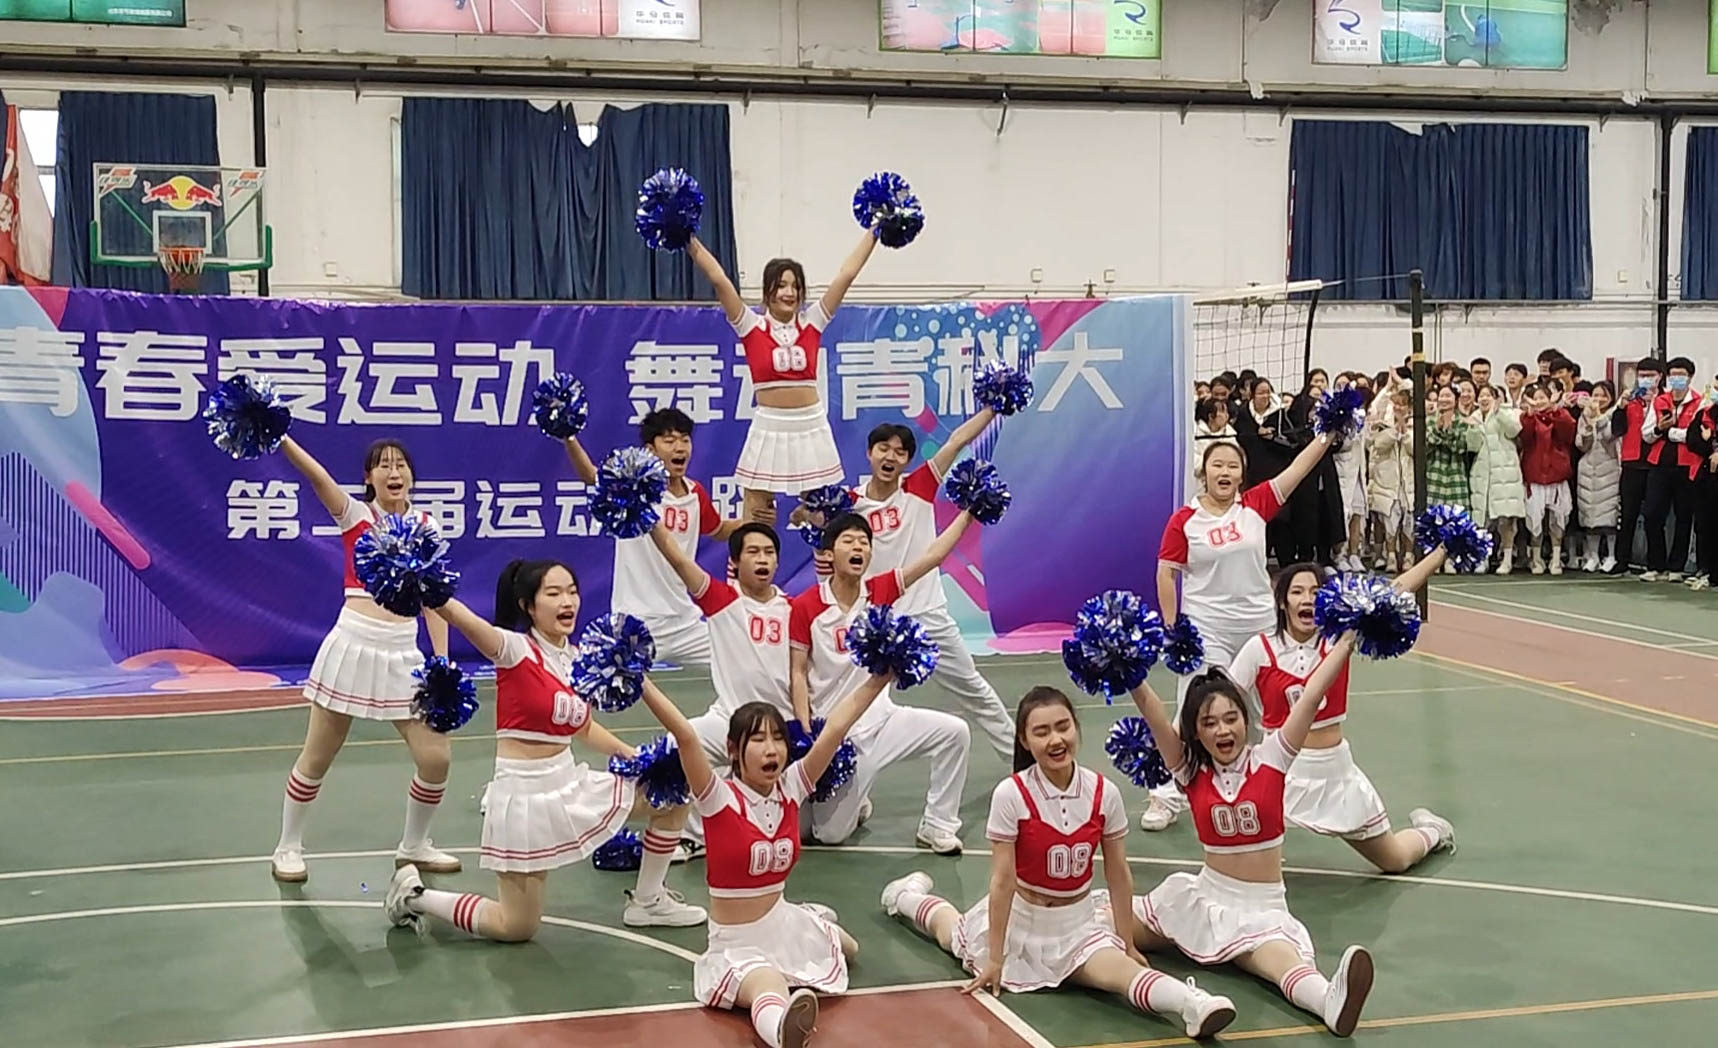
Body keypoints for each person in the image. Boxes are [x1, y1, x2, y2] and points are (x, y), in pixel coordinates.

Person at [879, 688, 1236, 1039]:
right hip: (1019, 922)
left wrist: (1127, 942)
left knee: (1121, 972)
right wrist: (996, 957)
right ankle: (906, 897)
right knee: (949, 933)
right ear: (1024, 739)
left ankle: (1192, 1004)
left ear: (1076, 727)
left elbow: (1118, 873)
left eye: (1063, 727)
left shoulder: (1104, 793)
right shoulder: (1011, 794)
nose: (1055, 739)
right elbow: (1002, 881)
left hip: (1076, 927)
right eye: (1042, 731)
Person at [385, 559, 707, 941]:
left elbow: (583, 726)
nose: (567, 601)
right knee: (515, 926)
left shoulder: (576, 658)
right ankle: (414, 896)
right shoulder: (514, 649)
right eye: (553, 593)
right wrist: (425, 583)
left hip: (570, 784)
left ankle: (648, 901)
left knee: (671, 794)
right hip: (524, 798)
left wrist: (630, 754)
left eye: (572, 591)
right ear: (529, 606)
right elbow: (463, 619)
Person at [1118, 638, 1376, 1037]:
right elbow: (1153, 712)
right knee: (1105, 919)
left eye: (1230, 718)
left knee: (1282, 964)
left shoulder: (1272, 756)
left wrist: (1345, 643)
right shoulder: (1189, 770)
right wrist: (1128, 669)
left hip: (1262, 908)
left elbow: (1311, 697)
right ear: (1196, 731)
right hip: (1202, 899)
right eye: (1209, 723)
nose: (1223, 729)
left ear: (1245, 719)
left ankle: (1332, 1001)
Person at [633, 661, 892, 1048]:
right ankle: (782, 1032)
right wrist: (637, 677)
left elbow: (836, 729)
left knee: (849, 949)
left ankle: (815, 915)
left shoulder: (792, 787)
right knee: (767, 984)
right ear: (733, 750)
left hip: (782, 924)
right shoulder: (717, 796)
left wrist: (881, 676)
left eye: (778, 739)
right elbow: (685, 735)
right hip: (736, 942)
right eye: (757, 739)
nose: (771, 749)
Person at [270, 437, 458, 884]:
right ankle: (288, 846)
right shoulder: (356, 515)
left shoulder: (428, 526)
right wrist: (280, 435)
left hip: (404, 652)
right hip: (353, 645)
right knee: (318, 756)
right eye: (383, 465)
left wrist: (442, 663)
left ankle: (414, 845)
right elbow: (317, 476)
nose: (394, 473)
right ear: (368, 478)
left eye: (401, 464)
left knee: (436, 758)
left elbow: (435, 601)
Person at [1143, 430, 1337, 832]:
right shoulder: (1185, 521)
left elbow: (1298, 468)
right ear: (1204, 473)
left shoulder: (1255, 505)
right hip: (1206, 628)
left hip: (1259, 628)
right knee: (1194, 708)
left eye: (1233, 466)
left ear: (1242, 475)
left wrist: (1327, 434)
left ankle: (1274, 791)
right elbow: (1165, 574)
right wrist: (1172, 627)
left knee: (1270, 711)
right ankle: (1165, 794)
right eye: (1218, 464)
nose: (1225, 471)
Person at [1227, 558, 1456, 873]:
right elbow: (1220, 699)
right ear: (1282, 602)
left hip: (1334, 771)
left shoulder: (1339, 639)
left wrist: (1442, 551)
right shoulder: (1259, 648)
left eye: (1315, 592)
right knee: (1249, 863)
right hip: (1278, 771)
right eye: (1297, 592)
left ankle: (1433, 831)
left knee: (1395, 860)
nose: (1307, 599)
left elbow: (1394, 591)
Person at [790, 511, 978, 852]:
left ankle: (938, 825)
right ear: (829, 554)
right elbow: (798, 672)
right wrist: (805, 729)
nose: (858, 547)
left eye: (864, 542)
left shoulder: (880, 589)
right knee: (826, 835)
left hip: (883, 722)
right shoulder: (805, 605)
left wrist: (969, 513)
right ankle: (858, 801)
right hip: (835, 734)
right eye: (848, 541)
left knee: (955, 733)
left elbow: (933, 556)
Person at [689, 230, 882, 524]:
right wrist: (687, 238)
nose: (789, 293)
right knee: (757, 518)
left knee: (826, 515)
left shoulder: (813, 321)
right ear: (768, 290)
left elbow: (847, 275)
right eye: (781, 285)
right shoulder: (750, 324)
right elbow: (719, 279)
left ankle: (804, 517)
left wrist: (875, 231)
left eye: (795, 286)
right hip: (769, 424)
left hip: (811, 424)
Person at [852, 420, 1015, 760]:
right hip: (875, 620)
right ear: (869, 453)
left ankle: (1021, 762)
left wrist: (993, 406)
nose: (890, 456)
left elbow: (956, 440)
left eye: (900, 452)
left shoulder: (920, 485)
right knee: (858, 704)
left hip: (927, 613)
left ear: (907, 461)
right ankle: (848, 779)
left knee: (972, 687)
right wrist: (802, 513)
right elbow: (813, 521)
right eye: (883, 448)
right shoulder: (849, 503)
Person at [562, 408, 746, 669]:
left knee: (740, 661)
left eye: (685, 440)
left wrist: (754, 520)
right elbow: (591, 476)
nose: (680, 448)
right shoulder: (632, 489)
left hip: (685, 624)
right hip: (637, 621)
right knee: (606, 681)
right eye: (669, 441)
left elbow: (719, 530)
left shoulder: (695, 493)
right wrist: (569, 437)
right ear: (650, 449)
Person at [1641, 358, 1702, 581]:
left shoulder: (1699, 402)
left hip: (1687, 466)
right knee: (1652, 514)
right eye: (1673, 374)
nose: (1677, 378)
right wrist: (1660, 429)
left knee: (1683, 516)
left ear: (1690, 377)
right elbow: (1646, 434)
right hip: (1659, 465)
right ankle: (1655, 564)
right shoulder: (1660, 401)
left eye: (1681, 374)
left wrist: (1671, 433)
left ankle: (1676, 566)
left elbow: (1695, 436)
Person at [1466, 384, 1526, 575]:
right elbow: (1472, 446)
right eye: (1481, 396)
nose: (1484, 399)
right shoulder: (1474, 417)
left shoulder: (1508, 413)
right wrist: (1472, 429)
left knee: (1506, 519)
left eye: (1488, 395)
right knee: (1482, 521)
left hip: (1505, 474)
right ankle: (1483, 558)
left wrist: (1500, 413)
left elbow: (1514, 431)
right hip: (1482, 475)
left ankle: (1507, 559)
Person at [1519, 383, 1578, 576]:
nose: (1539, 401)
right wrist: (1529, 415)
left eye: (1542, 397)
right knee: (1534, 520)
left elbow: (1568, 433)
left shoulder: (1561, 415)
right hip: (1534, 476)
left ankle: (1556, 558)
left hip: (1557, 475)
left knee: (1558, 520)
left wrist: (1555, 410)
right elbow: (1525, 438)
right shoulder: (1527, 418)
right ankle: (1536, 559)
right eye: (1535, 398)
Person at [1611, 357, 1663, 574]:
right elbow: (1617, 430)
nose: (1646, 379)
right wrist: (1621, 407)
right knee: (1628, 514)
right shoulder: (1630, 400)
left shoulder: (1665, 400)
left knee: (1653, 515)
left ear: (1660, 377)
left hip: (1656, 464)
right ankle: (1621, 560)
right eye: (1642, 375)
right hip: (1632, 463)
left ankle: (1656, 563)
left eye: (1650, 375)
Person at [1365, 388, 1416, 573]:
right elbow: (1378, 445)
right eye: (1396, 404)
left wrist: (1405, 430)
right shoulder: (1382, 425)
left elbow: (1415, 449)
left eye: (1403, 404)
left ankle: (1408, 556)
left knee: (1409, 520)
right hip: (1387, 481)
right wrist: (1395, 430)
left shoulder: (1415, 425)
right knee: (1389, 520)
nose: (1399, 408)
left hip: (1408, 482)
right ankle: (1391, 556)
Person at [1575, 381, 1622, 573]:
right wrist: (1587, 425)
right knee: (1589, 516)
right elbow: (1581, 444)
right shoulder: (1584, 416)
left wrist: (1598, 418)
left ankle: (1611, 556)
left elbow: (1609, 438)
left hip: (1609, 468)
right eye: (1595, 395)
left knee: (1609, 516)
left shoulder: (1614, 414)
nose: (1599, 399)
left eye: (1604, 395)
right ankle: (1593, 556)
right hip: (1587, 470)